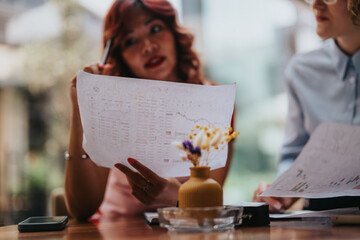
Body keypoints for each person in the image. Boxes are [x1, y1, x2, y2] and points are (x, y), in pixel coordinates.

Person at [65, 0, 233, 220]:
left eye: (155, 29)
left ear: (174, 32)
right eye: (131, 40)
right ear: (120, 55)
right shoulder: (110, 104)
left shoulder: (215, 100)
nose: (148, 47)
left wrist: (177, 196)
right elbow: (81, 209)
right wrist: (80, 108)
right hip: (115, 230)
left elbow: (210, 204)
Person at [253, 0, 360, 212]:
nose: (316, 4)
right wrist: (282, 191)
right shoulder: (301, 70)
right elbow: (294, 154)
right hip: (320, 223)